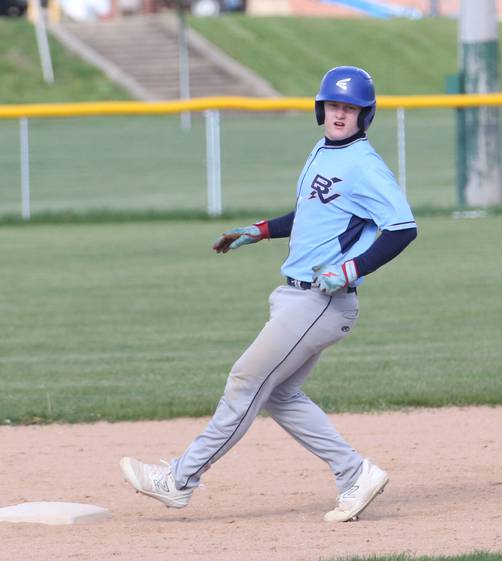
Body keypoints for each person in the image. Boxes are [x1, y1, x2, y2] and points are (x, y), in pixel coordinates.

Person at [120, 66, 417, 522]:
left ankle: (179, 481)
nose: (340, 114)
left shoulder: (364, 165)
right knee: (278, 394)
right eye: (334, 105)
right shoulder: (324, 150)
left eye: (350, 108)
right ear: (322, 109)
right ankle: (355, 474)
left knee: (244, 381)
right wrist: (261, 231)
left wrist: (352, 268)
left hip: (322, 302)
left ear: (365, 115)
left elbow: (402, 227)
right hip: (297, 298)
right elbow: (312, 215)